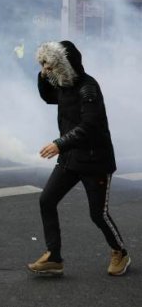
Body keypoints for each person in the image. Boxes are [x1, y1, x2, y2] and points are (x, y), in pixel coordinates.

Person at [27, 41, 130, 276]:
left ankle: (120, 252)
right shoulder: (64, 85)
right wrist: (43, 74)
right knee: (47, 200)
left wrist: (58, 144)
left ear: (66, 64)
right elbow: (48, 97)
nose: (49, 71)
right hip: (71, 159)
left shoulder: (88, 88)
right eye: (46, 66)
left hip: (95, 161)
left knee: (98, 214)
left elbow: (90, 126)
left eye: (52, 66)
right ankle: (54, 257)